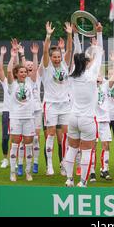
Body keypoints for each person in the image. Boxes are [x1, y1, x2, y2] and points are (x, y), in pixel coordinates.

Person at [64, 22, 103, 188]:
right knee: (87, 152)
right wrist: (99, 34)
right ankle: (83, 182)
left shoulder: (71, 74)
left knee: (72, 150)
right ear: (86, 63)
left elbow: (77, 53)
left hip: (72, 118)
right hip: (87, 119)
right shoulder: (91, 74)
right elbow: (100, 53)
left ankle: (69, 179)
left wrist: (75, 34)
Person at [41, 21, 73, 176]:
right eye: (54, 57)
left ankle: (65, 163)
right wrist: (48, 35)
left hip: (65, 104)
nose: (56, 59)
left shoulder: (65, 65)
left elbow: (69, 49)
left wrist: (69, 34)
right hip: (51, 104)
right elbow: (45, 51)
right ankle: (49, 165)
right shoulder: (47, 67)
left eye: (58, 57)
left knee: (66, 134)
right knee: (51, 133)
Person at [6, 44, 38, 182]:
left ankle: (28, 171)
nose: (24, 73)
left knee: (29, 145)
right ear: (16, 74)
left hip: (29, 118)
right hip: (16, 118)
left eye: (25, 72)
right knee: (14, 145)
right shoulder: (12, 84)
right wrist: (13, 56)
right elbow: (8, 71)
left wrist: (25, 54)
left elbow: (34, 68)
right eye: (21, 72)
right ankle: (12, 172)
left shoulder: (30, 82)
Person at [0, 45, 11, 169]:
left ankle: (16, 160)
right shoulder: (6, 81)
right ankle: (5, 159)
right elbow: (0, 69)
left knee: (18, 139)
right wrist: (2, 54)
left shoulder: (21, 82)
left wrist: (16, 54)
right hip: (7, 112)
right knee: (5, 137)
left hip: (18, 113)